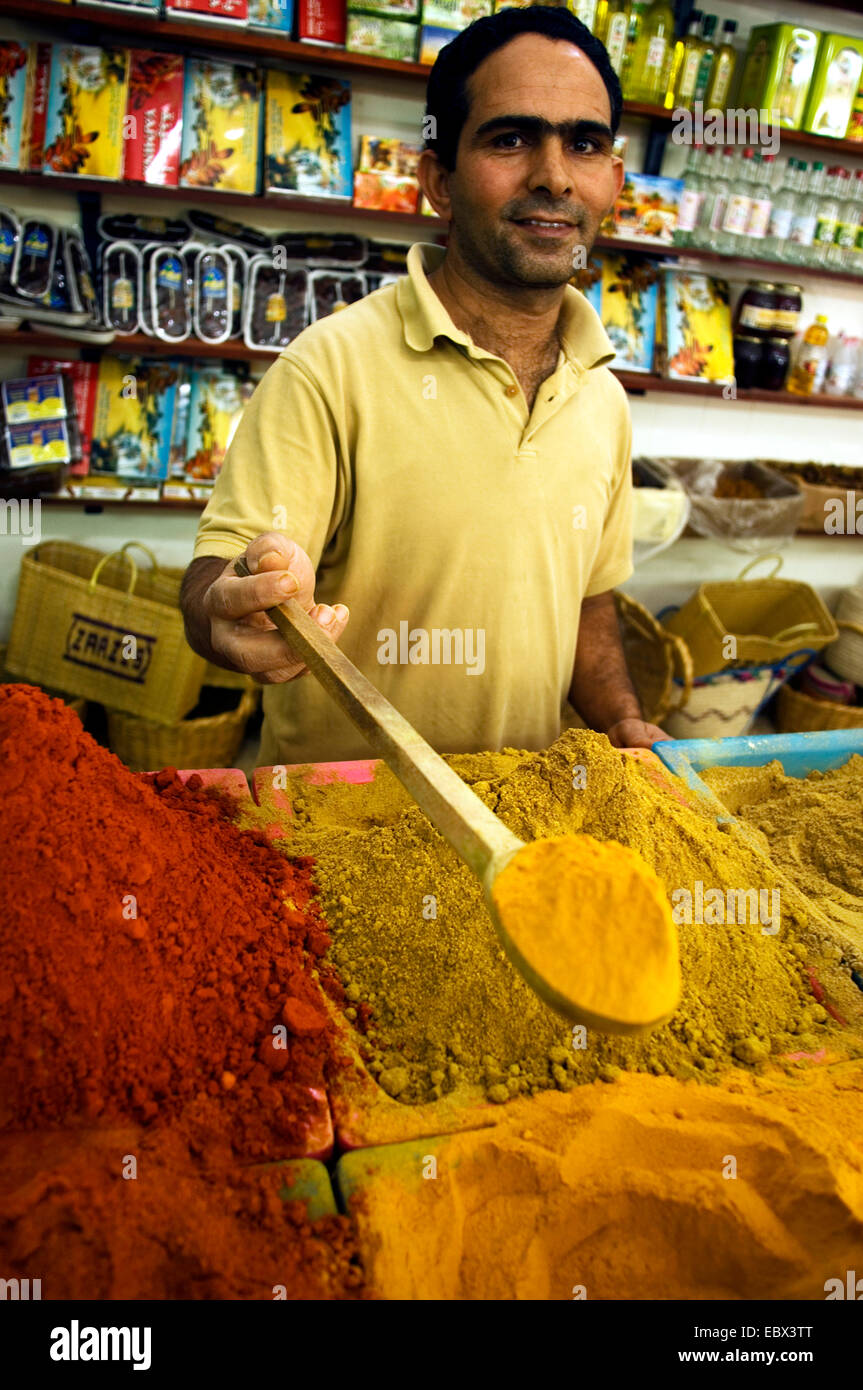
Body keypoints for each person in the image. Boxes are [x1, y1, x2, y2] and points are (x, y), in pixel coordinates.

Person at [181, 5, 669, 765]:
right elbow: (221, 573)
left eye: (583, 143)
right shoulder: (330, 367)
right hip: (341, 828)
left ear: (612, 178)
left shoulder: (600, 394)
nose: (551, 176)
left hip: (521, 828)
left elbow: (586, 600)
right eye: (510, 139)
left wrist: (622, 722)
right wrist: (230, 607)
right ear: (437, 179)